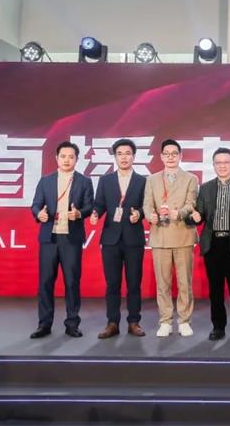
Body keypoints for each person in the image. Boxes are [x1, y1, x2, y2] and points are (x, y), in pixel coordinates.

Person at [189, 147, 230, 341]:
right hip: (213, 243)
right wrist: (194, 217)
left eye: (226, 162)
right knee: (215, 288)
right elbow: (199, 215)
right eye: (218, 163)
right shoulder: (206, 188)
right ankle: (218, 326)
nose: (223, 166)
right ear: (214, 165)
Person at [29, 141, 94, 338]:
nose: (67, 160)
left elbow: (89, 207)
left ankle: (72, 324)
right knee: (46, 282)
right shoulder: (45, 181)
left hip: (71, 238)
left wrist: (79, 214)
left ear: (76, 159)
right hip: (49, 237)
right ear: (56, 158)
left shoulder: (84, 181)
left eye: (71, 157)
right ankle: (44, 324)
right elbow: (35, 205)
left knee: (72, 281)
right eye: (63, 156)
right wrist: (39, 214)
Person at [90, 138, 147, 338]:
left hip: (134, 239)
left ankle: (134, 322)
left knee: (134, 283)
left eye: (127, 153)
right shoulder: (105, 181)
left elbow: (147, 206)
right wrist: (96, 213)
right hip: (110, 239)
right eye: (120, 154)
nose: (124, 157)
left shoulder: (143, 181)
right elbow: (99, 204)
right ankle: (112, 322)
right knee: (112, 283)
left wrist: (139, 213)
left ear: (134, 156)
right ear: (115, 157)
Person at [143, 139, 199, 338]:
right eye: (166, 154)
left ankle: (184, 320)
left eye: (174, 153)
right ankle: (165, 321)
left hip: (183, 235)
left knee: (185, 282)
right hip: (160, 235)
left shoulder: (191, 178)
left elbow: (192, 203)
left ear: (180, 156)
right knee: (163, 283)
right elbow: (147, 204)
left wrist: (180, 213)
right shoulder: (152, 179)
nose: (170, 157)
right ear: (161, 157)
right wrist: (151, 216)